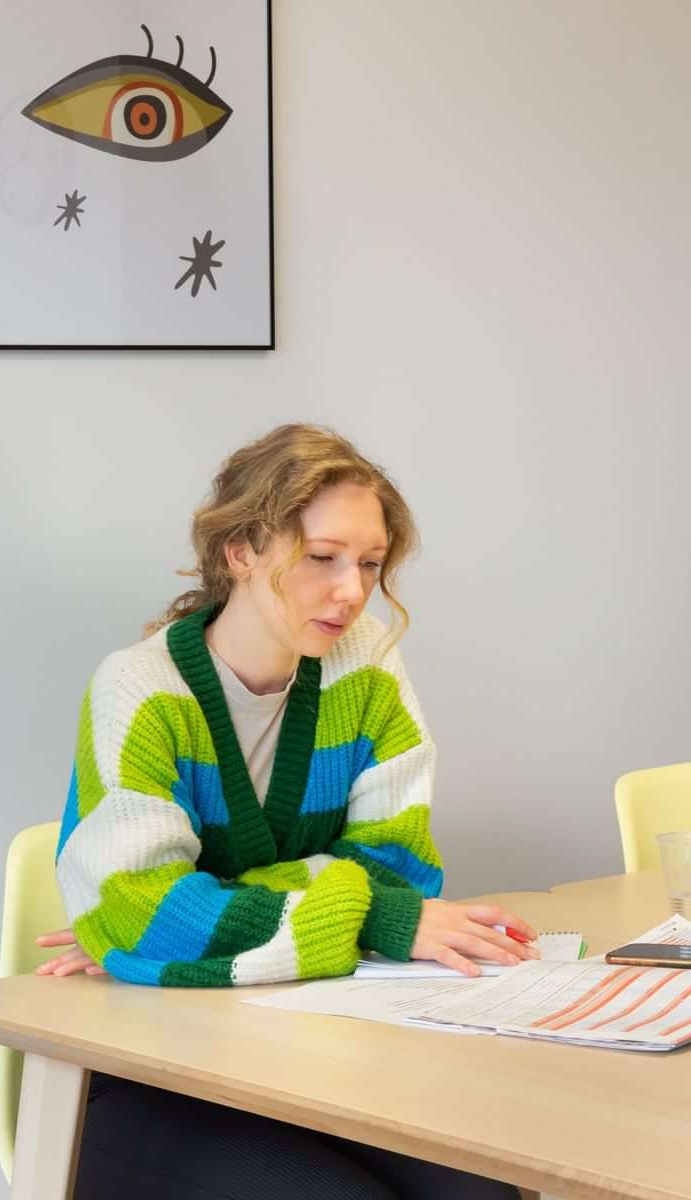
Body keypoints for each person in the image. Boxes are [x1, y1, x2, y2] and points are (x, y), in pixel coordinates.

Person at [36, 423, 537, 1199]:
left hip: (315, 1047)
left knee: (487, 1191)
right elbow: (142, 911)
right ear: (242, 550)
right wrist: (152, 925)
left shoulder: (363, 664)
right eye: (323, 557)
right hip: (147, 1069)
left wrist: (189, 925)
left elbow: (396, 868)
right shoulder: (139, 690)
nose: (353, 589)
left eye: (370, 564)